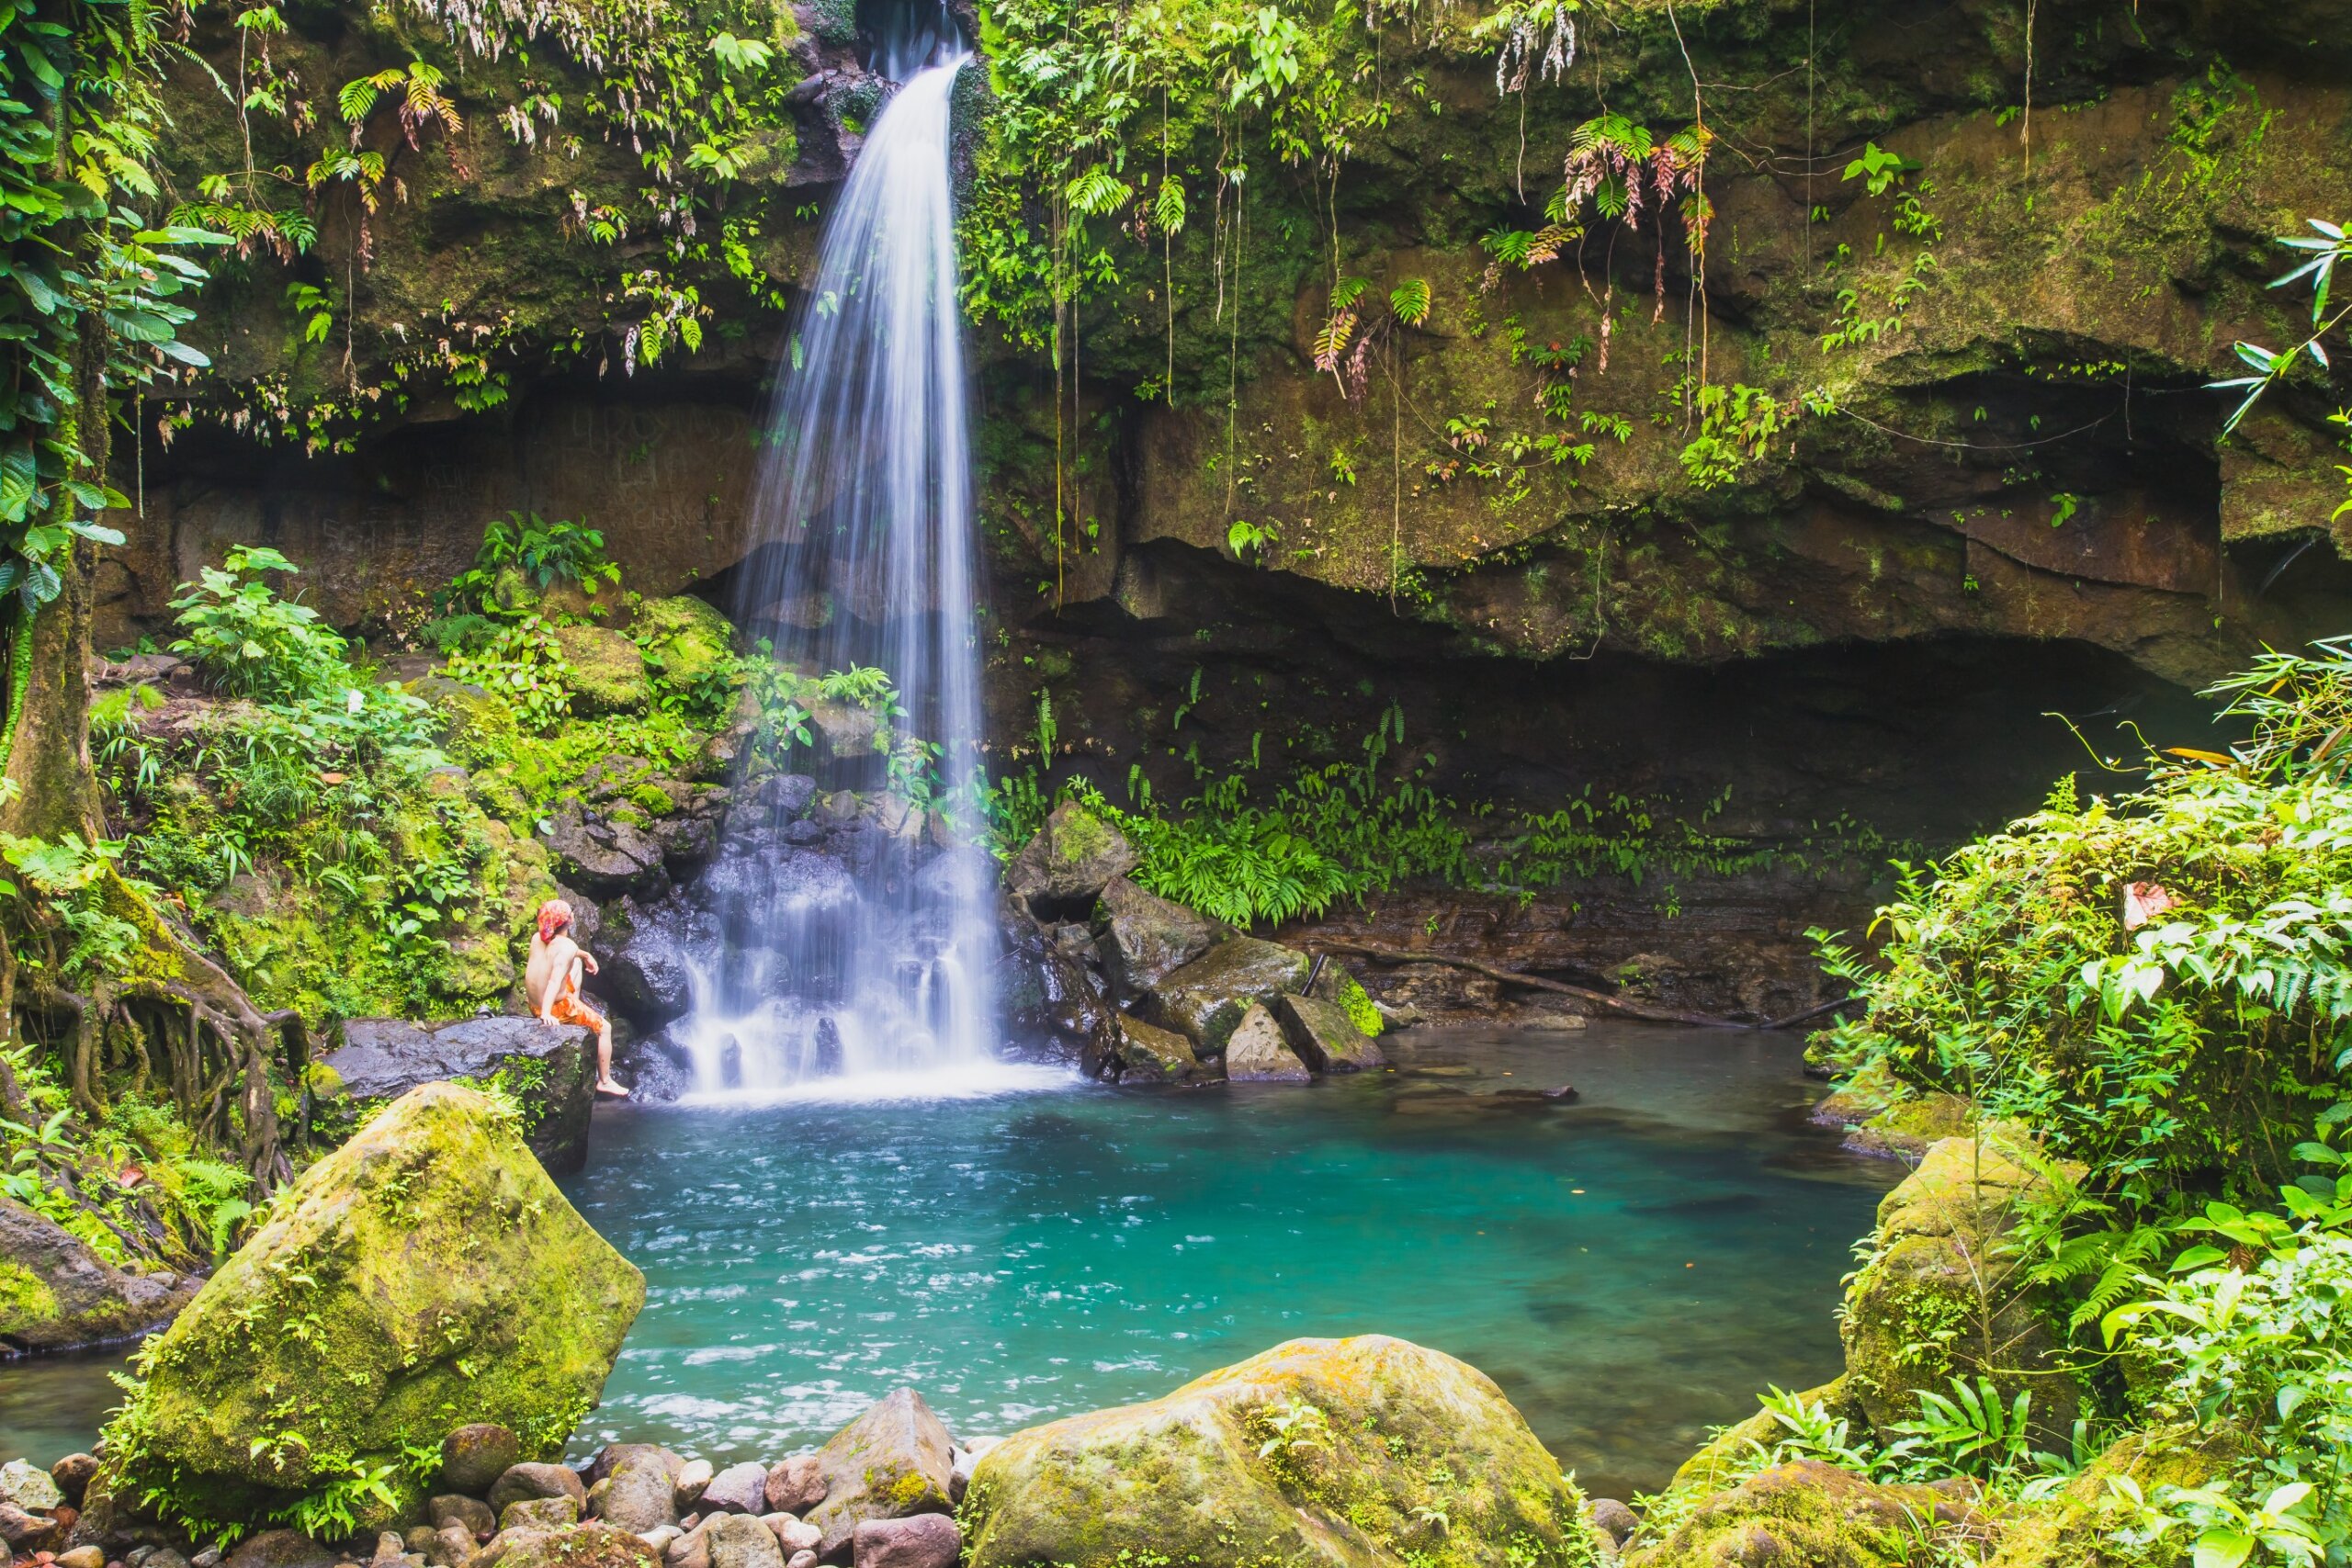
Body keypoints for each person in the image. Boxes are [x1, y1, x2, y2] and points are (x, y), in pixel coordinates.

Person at [526, 898, 625, 1098]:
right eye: (571, 911)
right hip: (555, 1007)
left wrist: (585, 955)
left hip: (533, 1001)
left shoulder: (538, 938)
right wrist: (546, 1013)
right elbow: (554, 981)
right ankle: (605, 1081)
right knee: (605, 1028)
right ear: (568, 920)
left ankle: (570, 1002)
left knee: (577, 963)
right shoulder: (567, 947)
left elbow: (564, 953)